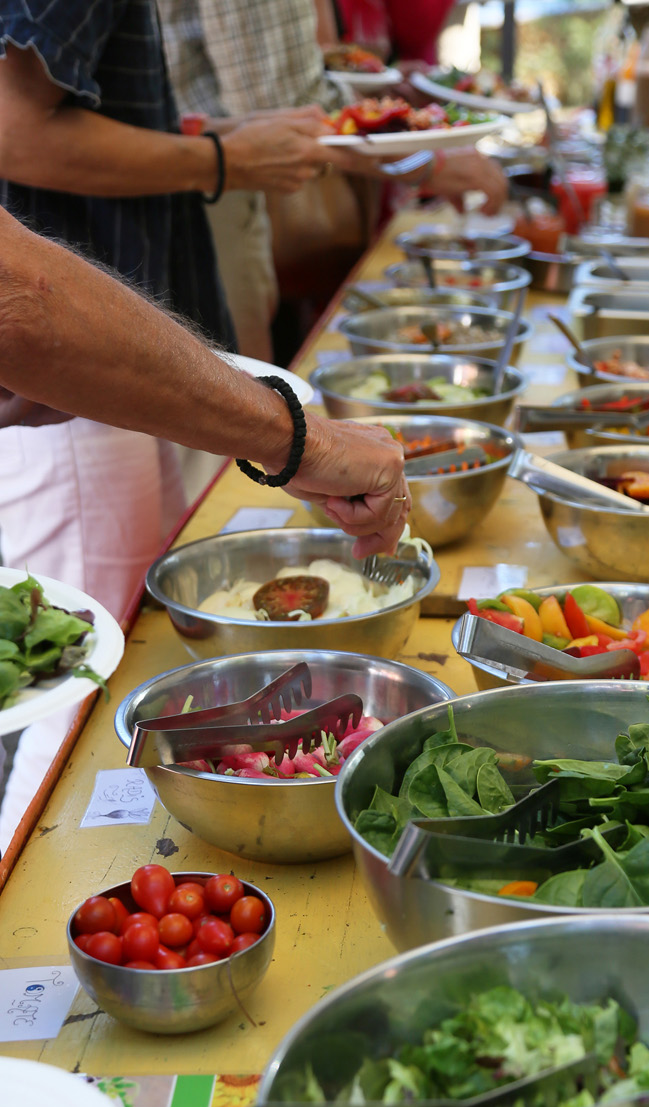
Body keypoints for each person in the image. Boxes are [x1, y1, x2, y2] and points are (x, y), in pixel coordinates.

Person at [0, 0, 356, 835]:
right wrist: (222, 156)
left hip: (98, 375)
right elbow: (16, 129)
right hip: (75, 392)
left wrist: (212, 137)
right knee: (67, 715)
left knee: (107, 682)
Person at [0, 204, 411, 851]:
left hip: (99, 367)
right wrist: (291, 438)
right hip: (71, 378)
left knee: (101, 668)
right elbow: (22, 294)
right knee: (70, 694)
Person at [160, 0, 508, 359]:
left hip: (194, 181)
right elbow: (288, 100)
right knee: (233, 391)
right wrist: (427, 160)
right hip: (200, 192)